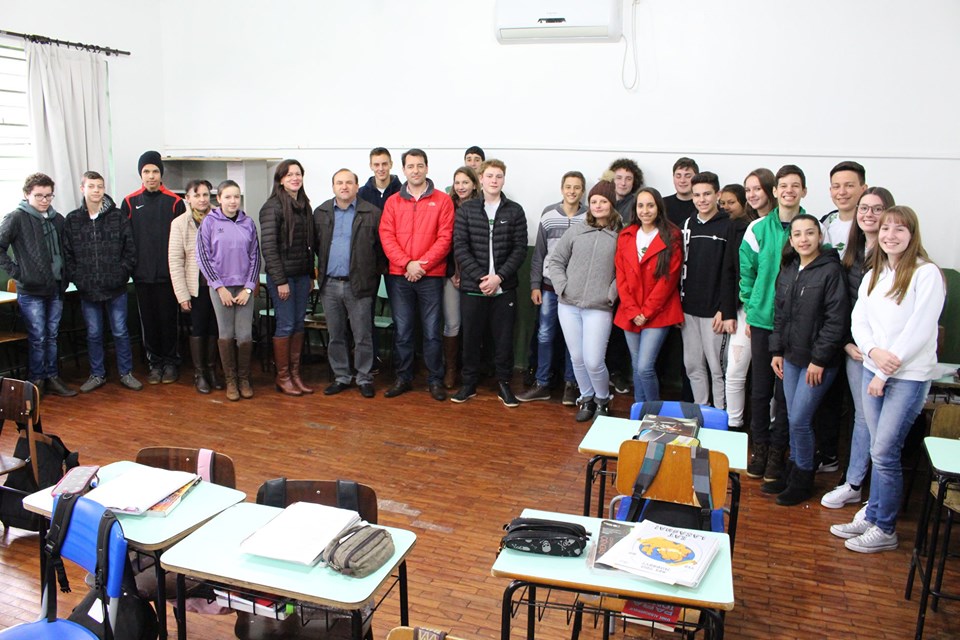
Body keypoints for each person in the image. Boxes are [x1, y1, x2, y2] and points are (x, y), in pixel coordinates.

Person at [831, 206, 945, 553]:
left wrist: (882, 371)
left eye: (899, 229)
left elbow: (919, 330)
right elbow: (859, 320)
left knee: (884, 450)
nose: (890, 236)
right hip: (873, 368)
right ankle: (872, 515)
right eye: (885, 229)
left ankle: (885, 528)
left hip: (907, 377)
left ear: (912, 235)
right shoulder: (874, 274)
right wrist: (871, 351)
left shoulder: (926, 274)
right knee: (878, 450)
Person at [821, 187, 896, 509]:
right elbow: (845, 305)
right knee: (863, 419)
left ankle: (876, 497)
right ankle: (854, 483)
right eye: (864, 209)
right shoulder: (852, 253)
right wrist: (848, 343)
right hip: (856, 351)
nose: (868, 215)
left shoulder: (898, 258)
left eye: (877, 209)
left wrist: (874, 348)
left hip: (889, 356)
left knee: (882, 429)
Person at [767, 214, 849, 505]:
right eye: (798, 234)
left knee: (801, 419)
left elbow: (836, 321)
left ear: (820, 237)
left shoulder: (831, 270)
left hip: (817, 362)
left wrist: (820, 359)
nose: (804, 239)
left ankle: (803, 478)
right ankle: (792, 471)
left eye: (810, 233)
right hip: (791, 357)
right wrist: (777, 351)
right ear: (791, 240)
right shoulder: (789, 269)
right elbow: (780, 315)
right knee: (792, 416)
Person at [740, 165, 808, 484]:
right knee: (760, 390)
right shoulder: (756, 228)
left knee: (784, 395)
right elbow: (747, 273)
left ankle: (778, 453)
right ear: (775, 191)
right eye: (783, 185)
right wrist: (752, 307)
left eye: (796, 185)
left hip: (795, 327)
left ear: (803, 191)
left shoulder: (810, 228)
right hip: (763, 321)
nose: (789, 190)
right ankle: (760, 449)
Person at [379, 149, 455, 401]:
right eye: (410, 166)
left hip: (430, 276)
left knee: (432, 332)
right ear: (403, 170)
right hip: (399, 276)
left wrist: (421, 265)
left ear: (427, 168)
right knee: (403, 331)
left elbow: (445, 238)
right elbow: (386, 237)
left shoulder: (443, 201)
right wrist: (407, 264)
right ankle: (403, 378)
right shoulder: (393, 202)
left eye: (420, 165)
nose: (415, 170)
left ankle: (435, 380)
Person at [451, 159, 527, 407]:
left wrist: (498, 278)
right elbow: (460, 247)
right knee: (471, 338)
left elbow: (519, 249)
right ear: (480, 179)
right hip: (473, 288)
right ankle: (469, 384)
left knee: (503, 340)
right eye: (490, 176)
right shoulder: (467, 210)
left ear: (504, 180)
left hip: (504, 288)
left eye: (499, 176)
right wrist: (481, 279)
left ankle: (504, 384)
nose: (494, 180)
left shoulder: (515, 211)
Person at [812, 161, 869, 474]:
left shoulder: (873, 226)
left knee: (861, 406)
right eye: (836, 186)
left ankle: (858, 471)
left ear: (863, 188)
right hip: (831, 324)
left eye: (849, 185)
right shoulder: (825, 224)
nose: (842, 191)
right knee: (829, 396)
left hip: (862, 331)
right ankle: (830, 456)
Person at [62, 171, 141, 393]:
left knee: (120, 331)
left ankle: (126, 373)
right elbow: (67, 254)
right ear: (82, 189)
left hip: (116, 287)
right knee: (94, 333)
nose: (96, 190)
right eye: (91, 186)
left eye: (100, 186)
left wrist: (121, 274)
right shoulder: (72, 220)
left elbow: (130, 250)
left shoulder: (118, 217)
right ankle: (97, 374)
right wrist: (78, 278)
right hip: (88, 288)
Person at [549, 180, 620, 422]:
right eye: (594, 201)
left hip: (599, 307)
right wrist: (563, 287)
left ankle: (603, 400)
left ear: (612, 204)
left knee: (594, 360)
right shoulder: (576, 231)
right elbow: (556, 260)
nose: (598, 205)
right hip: (568, 305)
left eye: (603, 201)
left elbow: (624, 272)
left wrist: (610, 294)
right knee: (577, 358)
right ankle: (587, 398)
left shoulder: (621, 235)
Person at [0, 173, 76, 397]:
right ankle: (35, 382)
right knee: (38, 338)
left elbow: (67, 250)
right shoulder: (16, 218)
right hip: (31, 290)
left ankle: (52, 377)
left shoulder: (58, 219)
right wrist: (18, 273)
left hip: (56, 287)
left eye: (49, 195)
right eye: (39, 196)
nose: (44, 200)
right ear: (27, 194)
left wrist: (66, 275)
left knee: (52, 336)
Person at [314, 169, 384, 398]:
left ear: (357, 186)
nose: (344, 187)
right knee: (336, 334)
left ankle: (364, 377)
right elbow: (316, 245)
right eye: (339, 183)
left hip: (360, 285)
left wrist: (370, 276)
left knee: (362, 335)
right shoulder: (321, 212)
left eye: (348, 182)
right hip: (330, 285)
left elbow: (380, 251)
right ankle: (342, 376)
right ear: (333, 186)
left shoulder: (372, 213)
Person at [518, 171, 586, 404]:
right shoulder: (549, 215)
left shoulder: (589, 217)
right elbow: (538, 254)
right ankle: (542, 383)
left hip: (576, 290)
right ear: (562, 189)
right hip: (548, 287)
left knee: (573, 338)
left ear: (582, 191)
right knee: (545, 334)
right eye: (568, 187)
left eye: (577, 187)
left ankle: (571, 384)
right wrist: (534, 285)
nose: (572, 191)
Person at [121, 150, 186, 384]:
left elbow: (183, 240)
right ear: (141, 174)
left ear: (161, 174)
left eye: (155, 171)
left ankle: (170, 363)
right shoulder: (129, 202)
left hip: (169, 276)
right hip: (142, 276)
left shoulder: (175, 202)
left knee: (168, 321)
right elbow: (125, 240)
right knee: (148, 323)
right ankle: (155, 364)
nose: (151, 176)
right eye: (146, 171)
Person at [614, 187, 683, 403]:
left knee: (645, 367)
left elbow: (668, 280)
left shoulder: (672, 235)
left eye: (650, 205)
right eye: (641, 206)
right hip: (630, 311)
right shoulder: (626, 235)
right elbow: (621, 276)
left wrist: (646, 312)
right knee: (636, 366)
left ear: (659, 207)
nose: (645, 211)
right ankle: (639, 410)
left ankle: (652, 413)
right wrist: (633, 310)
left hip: (658, 312)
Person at [197, 180, 260, 401]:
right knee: (225, 334)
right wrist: (219, 287)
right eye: (228, 197)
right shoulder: (209, 222)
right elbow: (203, 257)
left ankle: (244, 379)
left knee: (244, 336)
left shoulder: (248, 223)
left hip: (243, 288)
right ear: (219, 199)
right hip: (220, 288)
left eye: (236, 197)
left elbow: (255, 257)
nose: (233, 201)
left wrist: (248, 288)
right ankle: (231, 380)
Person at [259, 159, 315, 396]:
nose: (295, 178)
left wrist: (310, 274)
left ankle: (295, 374)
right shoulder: (272, 207)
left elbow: (308, 245)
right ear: (281, 179)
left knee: (299, 323)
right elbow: (269, 248)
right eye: (289, 174)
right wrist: (280, 281)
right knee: (287, 324)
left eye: (298, 174)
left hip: (302, 276)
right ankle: (283, 377)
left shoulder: (304, 205)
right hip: (283, 279)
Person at [680, 171, 731, 408]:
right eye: (697, 195)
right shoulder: (686, 225)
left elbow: (731, 272)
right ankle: (702, 408)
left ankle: (720, 413)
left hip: (714, 312)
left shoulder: (728, 227)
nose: (702, 199)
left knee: (717, 367)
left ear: (717, 194)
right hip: (688, 309)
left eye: (707, 194)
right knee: (693, 364)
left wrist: (724, 309)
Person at [169, 179, 222, 394]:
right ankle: (200, 373)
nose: (202, 199)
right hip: (196, 286)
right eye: (197, 195)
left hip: (219, 286)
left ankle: (212, 370)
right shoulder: (180, 223)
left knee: (215, 329)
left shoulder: (220, 217)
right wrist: (182, 295)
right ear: (187, 198)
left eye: (205, 195)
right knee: (199, 328)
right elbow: (175, 261)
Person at [719, 179, 764, 430]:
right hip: (743, 308)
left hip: (771, 312)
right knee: (735, 370)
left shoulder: (786, 228)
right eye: (749, 190)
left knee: (767, 377)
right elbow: (730, 271)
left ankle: (765, 428)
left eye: (758, 189)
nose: (753, 194)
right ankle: (734, 424)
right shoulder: (737, 227)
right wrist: (729, 311)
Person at [443, 166, 480, 389]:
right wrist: (453, 273)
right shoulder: (446, 205)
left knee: (473, 324)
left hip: (474, 275)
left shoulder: (482, 207)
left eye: (465, 182)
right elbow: (445, 242)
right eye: (457, 182)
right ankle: (450, 369)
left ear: (474, 184)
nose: (460, 186)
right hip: (450, 274)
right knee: (452, 323)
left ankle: (471, 370)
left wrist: (468, 272)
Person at [358, 147, 402, 211]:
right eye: (376, 165)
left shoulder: (403, 192)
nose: (381, 169)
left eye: (384, 164)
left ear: (391, 164)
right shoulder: (361, 194)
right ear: (371, 166)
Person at [664, 157, 699, 227]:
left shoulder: (703, 204)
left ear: (696, 177)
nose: (682, 180)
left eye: (688, 176)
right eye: (678, 176)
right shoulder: (662, 204)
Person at [609, 158, 644, 223]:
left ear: (634, 182)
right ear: (611, 179)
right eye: (619, 178)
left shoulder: (637, 204)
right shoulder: (603, 201)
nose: (623, 183)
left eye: (628, 179)